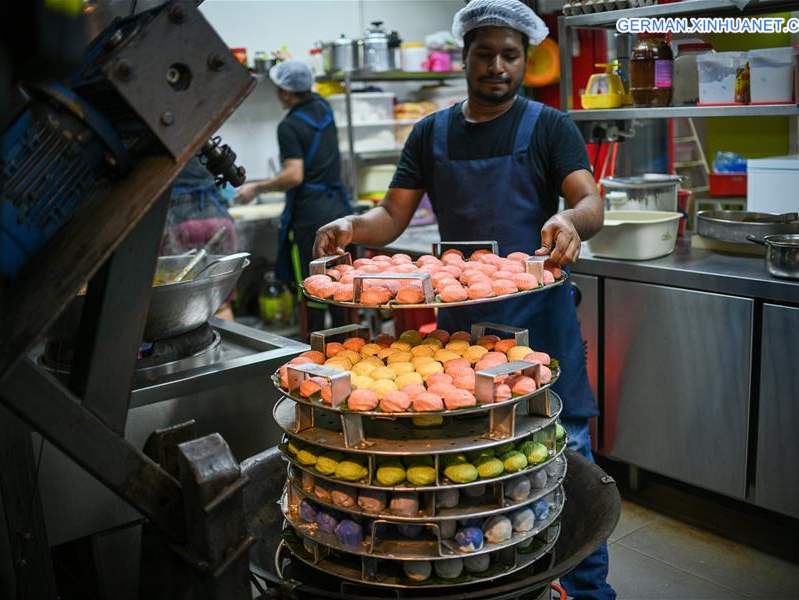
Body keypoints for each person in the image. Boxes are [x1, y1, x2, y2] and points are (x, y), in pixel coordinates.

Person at [313, 1, 614, 598]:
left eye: (509, 55)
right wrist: (353, 226)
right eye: (485, 54)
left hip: (540, 324)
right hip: (461, 339)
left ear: (525, 60)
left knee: (563, 460)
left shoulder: (548, 126)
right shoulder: (432, 132)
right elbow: (392, 216)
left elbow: (590, 200)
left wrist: (570, 219)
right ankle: (504, 579)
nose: (497, 66)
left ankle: (586, 592)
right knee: (475, 469)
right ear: (466, 57)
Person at [235, 60, 352, 332]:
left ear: (286, 93)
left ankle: (316, 348)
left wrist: (256, 187)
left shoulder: (288, 126)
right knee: (340, 283)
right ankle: (347, 343)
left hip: (310, 216)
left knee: (312, 287)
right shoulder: (324, 108)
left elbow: (293, 176)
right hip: (337, 208)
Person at [161, 156, 238, 321]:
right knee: (220, 303)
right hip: (220, 221)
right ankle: (221, 347)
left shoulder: (162, 150)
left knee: (175, 306)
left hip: (180, 225)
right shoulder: (202, 144)